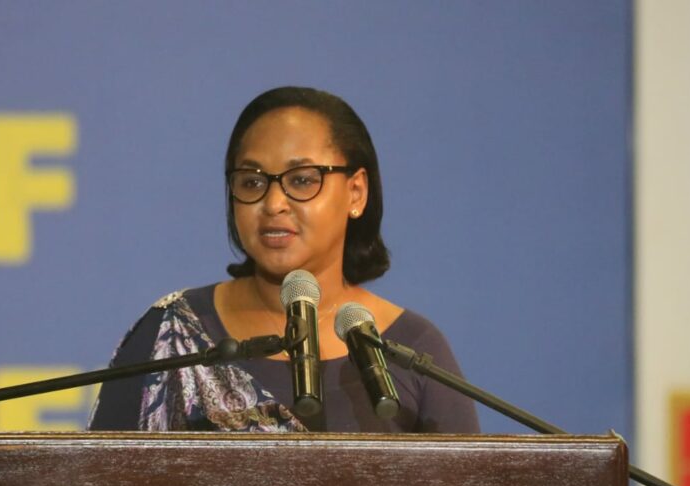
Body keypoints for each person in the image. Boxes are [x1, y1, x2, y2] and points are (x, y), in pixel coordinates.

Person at [88, 87, 479, 433]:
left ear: (356, 192)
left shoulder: (411, 349)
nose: (273, 203)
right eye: (252, 182)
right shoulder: (173, 334)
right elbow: (98, 484)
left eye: (302, 179)